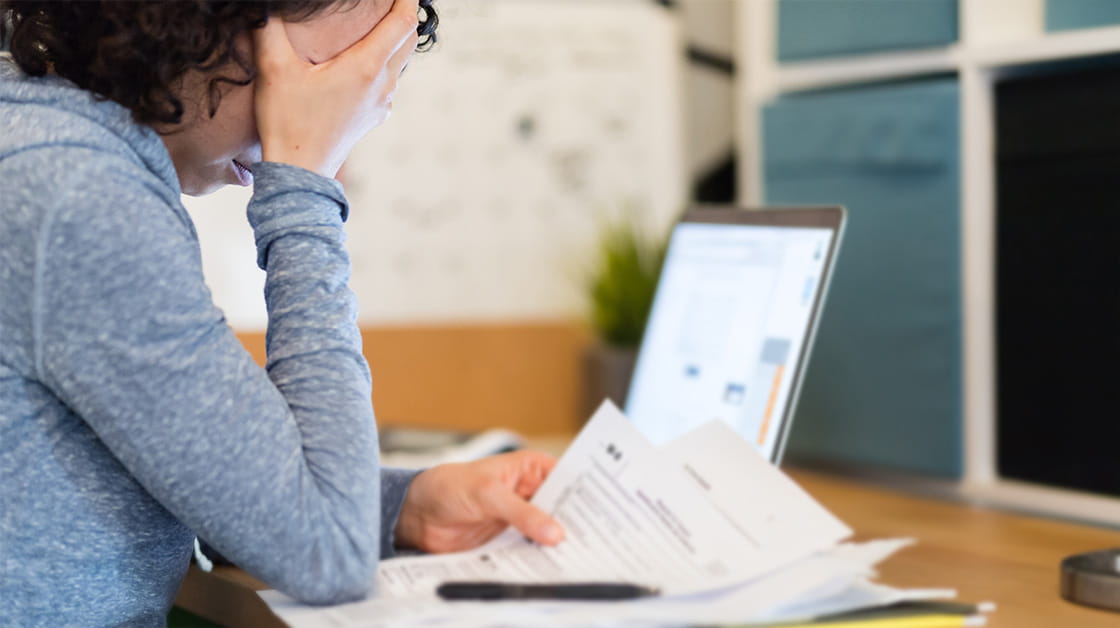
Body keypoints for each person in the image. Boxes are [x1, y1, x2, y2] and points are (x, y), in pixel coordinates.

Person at [0, 1, 565, 625]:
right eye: (321, 75)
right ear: (207, 21)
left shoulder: (43, 132)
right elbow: (328, 554)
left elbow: (202, 473)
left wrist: (401, 506)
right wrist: (303, 180)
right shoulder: (74, 191)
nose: (339, 123)